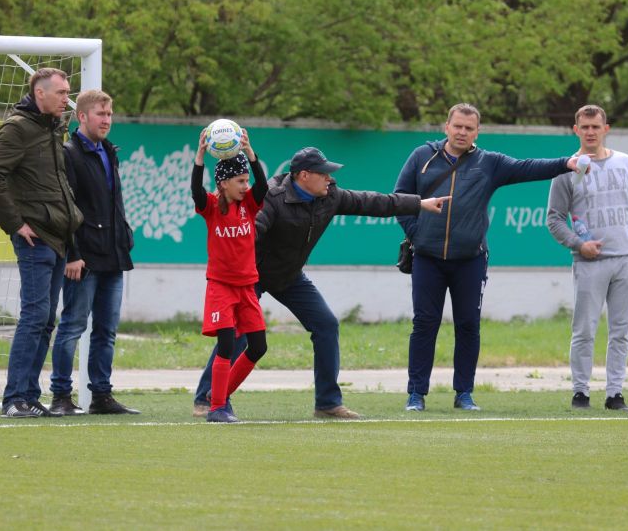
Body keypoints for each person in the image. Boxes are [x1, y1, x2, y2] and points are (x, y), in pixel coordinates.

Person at [193, 147, 451, 420]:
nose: (329, 178)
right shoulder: (273, 196)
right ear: (304, 175)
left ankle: (327, 403)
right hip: (251, 274)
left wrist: (419, 203)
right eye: (323, 173)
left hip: (289, 276)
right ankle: (207, 398)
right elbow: (252, 229)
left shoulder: (330, 196)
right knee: (236, 333)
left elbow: (373, 202)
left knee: (326, 324)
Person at [394, 102, 584, 412]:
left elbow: (528, 167)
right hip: (427, 258)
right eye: (457, 126)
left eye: (468, 128)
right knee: (424, 324)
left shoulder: (488, 163)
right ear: (446, 127)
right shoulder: (421, 157)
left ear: (477, 132)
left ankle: (464, 394)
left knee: (468, 325)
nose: (462, 132)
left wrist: (566, 163)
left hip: (470, 260)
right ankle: (416, 394)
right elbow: (400, 199)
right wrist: (418, 235)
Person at [0, 68, 82, 418]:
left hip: (56, 237)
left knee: (46, 319)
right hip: (35, 237)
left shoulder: (52, 128)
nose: (67, 99)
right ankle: (14, 399)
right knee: (35, 315)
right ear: (40, 93)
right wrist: (15, 223)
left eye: (68, 92)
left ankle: (30, 397)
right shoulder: (18, 127)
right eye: (61, 93)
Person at [547, 104, 628, 411]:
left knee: (620, 331)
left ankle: (615, 393)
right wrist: (578, 244)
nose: (590, 132)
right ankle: (580, 392)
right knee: (584, 330)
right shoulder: (567, 170)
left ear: (606, 129)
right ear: (576, 130)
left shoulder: (624, 163)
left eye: (595, 127)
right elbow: (554, 219)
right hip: (590, 262)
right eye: (585, 127)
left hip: (627, 257)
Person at [48, 89, 139, 416]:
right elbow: (66, 208)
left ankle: (101, 395)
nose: (106, 120)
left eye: (109, 114)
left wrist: (124, 238)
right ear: (82, 116)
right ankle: (60, 396)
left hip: (113, 256)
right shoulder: (69, 153)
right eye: (101, 114)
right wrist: (72, 254)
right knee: (72, 326)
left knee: (106, 331)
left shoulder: (109, 151)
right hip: (83, 258)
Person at [191, 128, 269, 423]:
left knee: (258, 346)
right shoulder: (211, 207)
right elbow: (196, 191)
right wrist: (200, 157)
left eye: (246, 180)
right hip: (221, 287)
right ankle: (217, 408)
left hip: (247, 287)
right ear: (223, 183)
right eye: (240, 181)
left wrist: (250, 153)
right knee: (226, 345)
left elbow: (263, 186)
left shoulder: (249, 205)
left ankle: (219, 395)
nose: (246, 186)